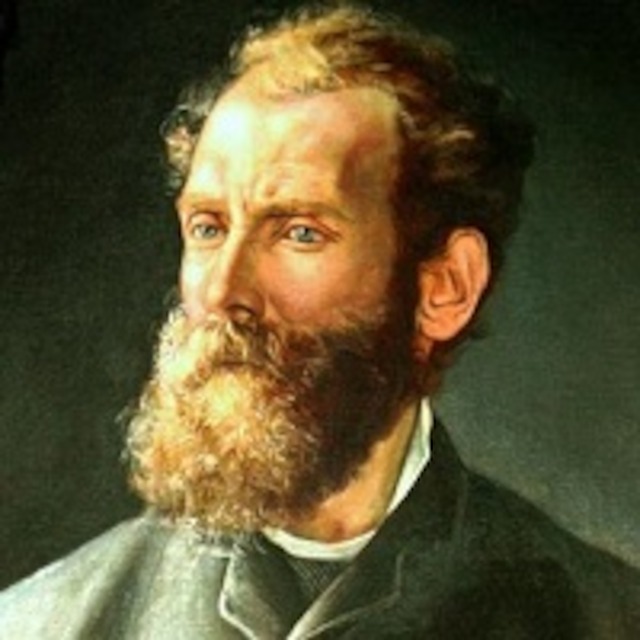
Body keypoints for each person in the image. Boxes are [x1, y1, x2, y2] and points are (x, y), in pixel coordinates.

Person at [1, 3, 639, 638]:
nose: (221, 292)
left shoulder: (602, 617)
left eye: (300, 232)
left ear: (446, 286)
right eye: (208, 227)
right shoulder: (38, 623)